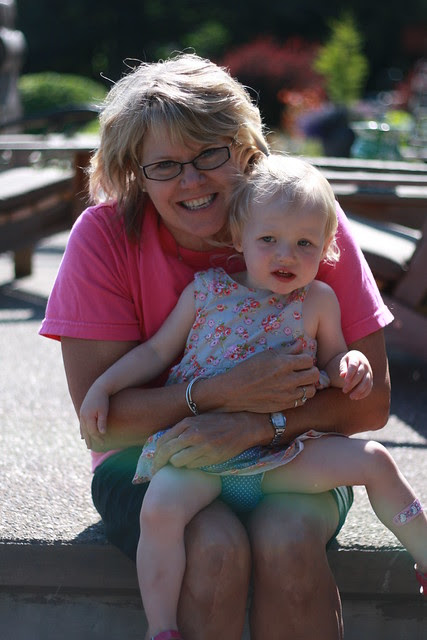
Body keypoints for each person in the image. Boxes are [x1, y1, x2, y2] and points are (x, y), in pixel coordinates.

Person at [40, 53, 394, 640]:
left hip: (292, 451)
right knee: (214, 548)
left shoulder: (304, 221)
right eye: (164, 165)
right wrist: (219, 395)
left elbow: (371, 402)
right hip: (150, 464)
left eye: (210, 153)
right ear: (134, 172)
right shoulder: (104, 238)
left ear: (245, 148)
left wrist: (259, 425)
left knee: (288, 540)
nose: (191, 181)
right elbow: (104, 426)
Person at [79, 154, 427, 639]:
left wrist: (350, 366)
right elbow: (155, 352)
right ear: (238, 236)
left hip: (283, 454)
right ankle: (162, 627)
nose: (286, 256)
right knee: (159, 507)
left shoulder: (318, 301)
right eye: (269, 240)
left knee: (375, 460)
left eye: (304, 243)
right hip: (202, 459)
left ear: (327, 248)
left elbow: (334, 360)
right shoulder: (205, 293)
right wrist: (103, 385)